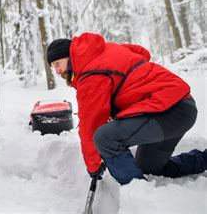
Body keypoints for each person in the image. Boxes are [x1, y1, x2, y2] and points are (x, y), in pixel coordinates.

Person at [46, 32, 207, 185]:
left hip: (171, 111)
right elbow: (141, 52)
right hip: (178, 106)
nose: (57, 70)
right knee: (149, 169)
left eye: (57, 64)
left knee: (104, 137)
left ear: (69, 56)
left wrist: (94, 166)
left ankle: (140, 197)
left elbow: (91, 125)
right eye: (53, 67)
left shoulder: (91, 74)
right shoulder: (103, 51)